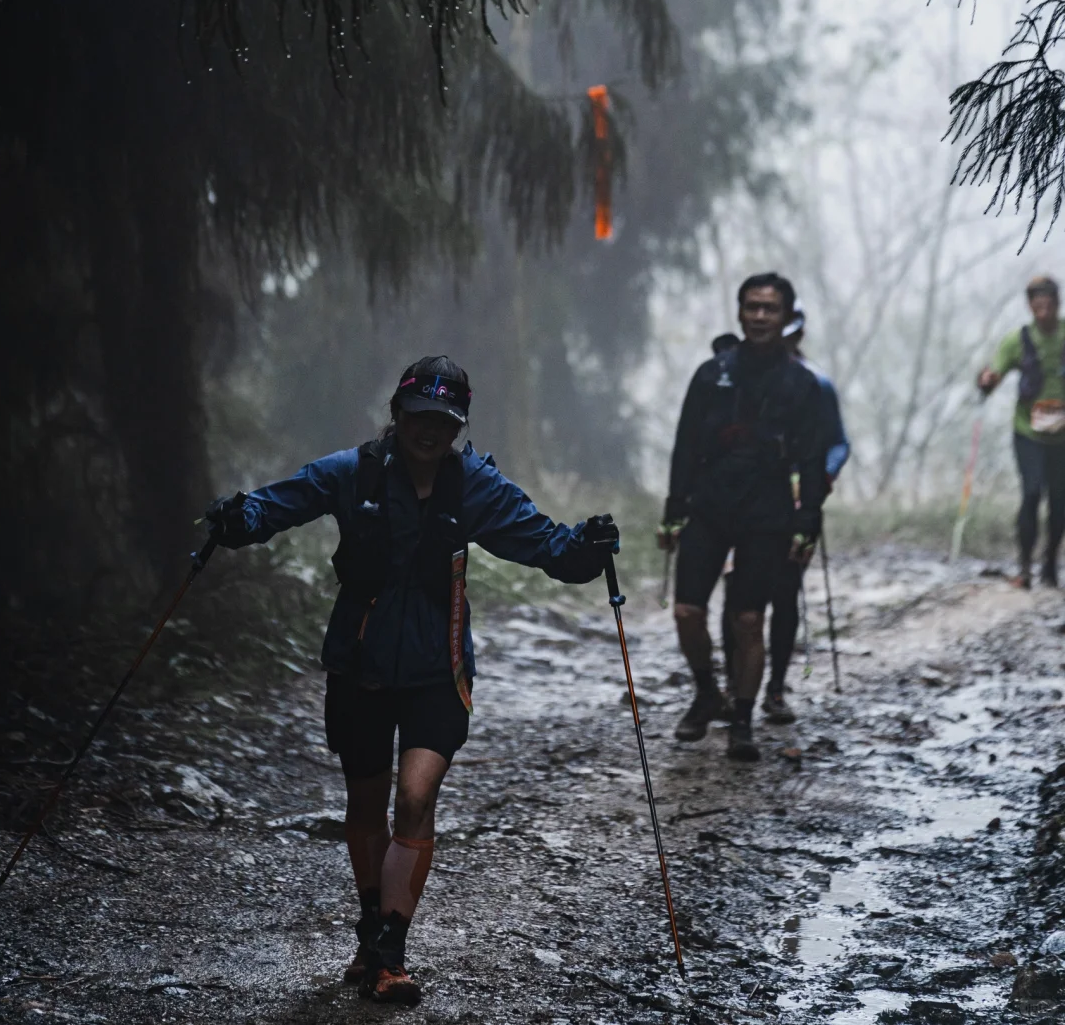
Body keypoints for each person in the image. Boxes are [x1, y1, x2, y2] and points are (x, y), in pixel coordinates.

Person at [204, 356, 619, 1007]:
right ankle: (370, 931)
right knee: (366, 804)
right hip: (359, 667)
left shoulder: (475, 487)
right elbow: (284, 501)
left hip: (439, 669)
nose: (430, 430)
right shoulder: (354, 472)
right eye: (420, 417)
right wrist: (239, 519)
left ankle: (390, 952)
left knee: (416, 795)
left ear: (458, 426)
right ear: (398, 415)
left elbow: (548, 547)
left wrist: (589, 546)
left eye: (444, 420)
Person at [658, 274, 827, 763]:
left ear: (786, 317)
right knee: (688, 612)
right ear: (739, 313)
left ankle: (743, 719)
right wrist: (674, 507)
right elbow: (685, 443)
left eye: (769, 309)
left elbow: (812, 457)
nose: (758, 316)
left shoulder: (802, 384)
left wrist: (808, 519)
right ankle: (708, 691)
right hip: (709, 503)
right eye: (751, 307)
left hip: (767, 509)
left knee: (749, 619)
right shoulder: (712, 374)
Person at [756, 301, 849, 723]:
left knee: (785, 591)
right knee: (742, 592)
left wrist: (821, 477)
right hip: (749, 502)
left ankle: (775, 688)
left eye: (790, 337)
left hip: (800, 501)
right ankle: (738, 685)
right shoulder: (745, 381)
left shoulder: (817, 385)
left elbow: (838, 443)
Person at [978, 276, 1065, 588]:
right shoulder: (1017, 340)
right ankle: (1025, 566)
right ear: (1030, 307)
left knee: (1060, 503)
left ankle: (1050, 564)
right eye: (1036, 306)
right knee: (1031, 492)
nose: (1042, 312)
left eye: (1048, 305)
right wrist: (987, 381)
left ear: (1058, 303)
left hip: (1062, 439)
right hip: (1028, 431)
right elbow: (995, 374)